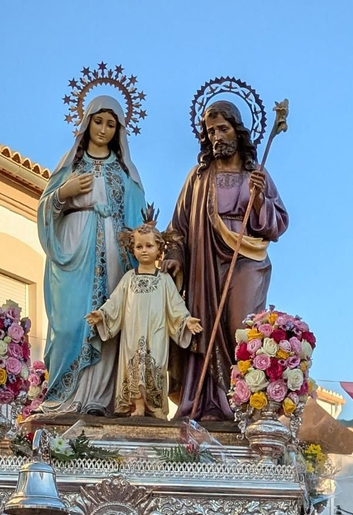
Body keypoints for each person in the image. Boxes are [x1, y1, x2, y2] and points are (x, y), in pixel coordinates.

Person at [167, 100, 289, 421]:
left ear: (237, 130)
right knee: (204, 326)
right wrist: (175, 259)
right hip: (204, 262)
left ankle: (243, 404)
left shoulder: (256, 173)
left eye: (223, 128)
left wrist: (260, 199)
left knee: (242, 329)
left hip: (247, 259)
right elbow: (178, 227)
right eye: (210, 131)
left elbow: (278, 224)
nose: (217, 136)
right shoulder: (198, 177)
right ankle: (205, 403)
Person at [38, 96, 147, 414]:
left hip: (114, 249)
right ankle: (63, 398)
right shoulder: (70, 164)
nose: (103, 129)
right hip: (74, 247)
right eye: (98, 121)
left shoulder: (127, 173)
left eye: (111, 124)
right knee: (70, 325)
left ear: (119, 131)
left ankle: (100, 401)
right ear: (86, 123)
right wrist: (63, 193)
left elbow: (140, 221)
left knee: (109, 321)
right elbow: (45, 209)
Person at [85, 207, 203, 417]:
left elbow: (175, 305)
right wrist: (102, 314)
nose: (144, 250)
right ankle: (137, 405)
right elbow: (115, 301)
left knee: (155, 365)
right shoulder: (130, 277)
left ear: (160, 249)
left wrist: (186, 321)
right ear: (133, 250)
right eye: (139, 246)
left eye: (149, 245)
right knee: (134, 366)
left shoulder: (164, 279)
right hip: (132, 331)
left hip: (157, 331)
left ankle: (155, 407)